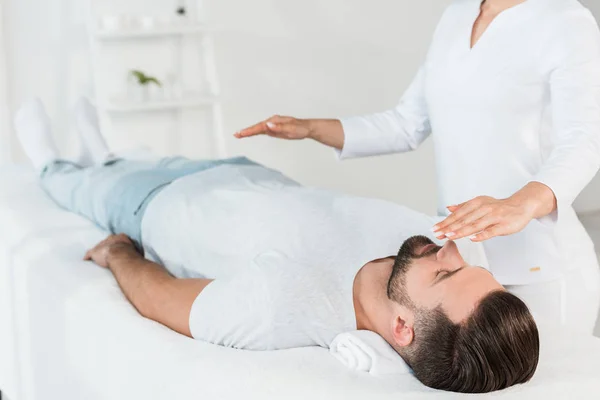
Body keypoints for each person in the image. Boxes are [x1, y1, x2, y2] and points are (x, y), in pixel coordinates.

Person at [15, 98, 539, 393]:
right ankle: (104, 152)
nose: (449, 249)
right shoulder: (425, 261)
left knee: (70, 183)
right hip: (243, 175)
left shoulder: (285, 306)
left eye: (445, 274)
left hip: (152, 203)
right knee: (131, 158)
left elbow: (163, 300)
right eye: (466, 264)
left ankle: (53, 162)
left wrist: (118, 254)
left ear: (401, 329)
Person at [236, 0, 600, 334]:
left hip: (542, 269)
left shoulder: (565, 22)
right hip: (460, 271)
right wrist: (312, 129)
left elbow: (585, 139)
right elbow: (406, 124)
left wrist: (522, 203)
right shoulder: (457, 16)